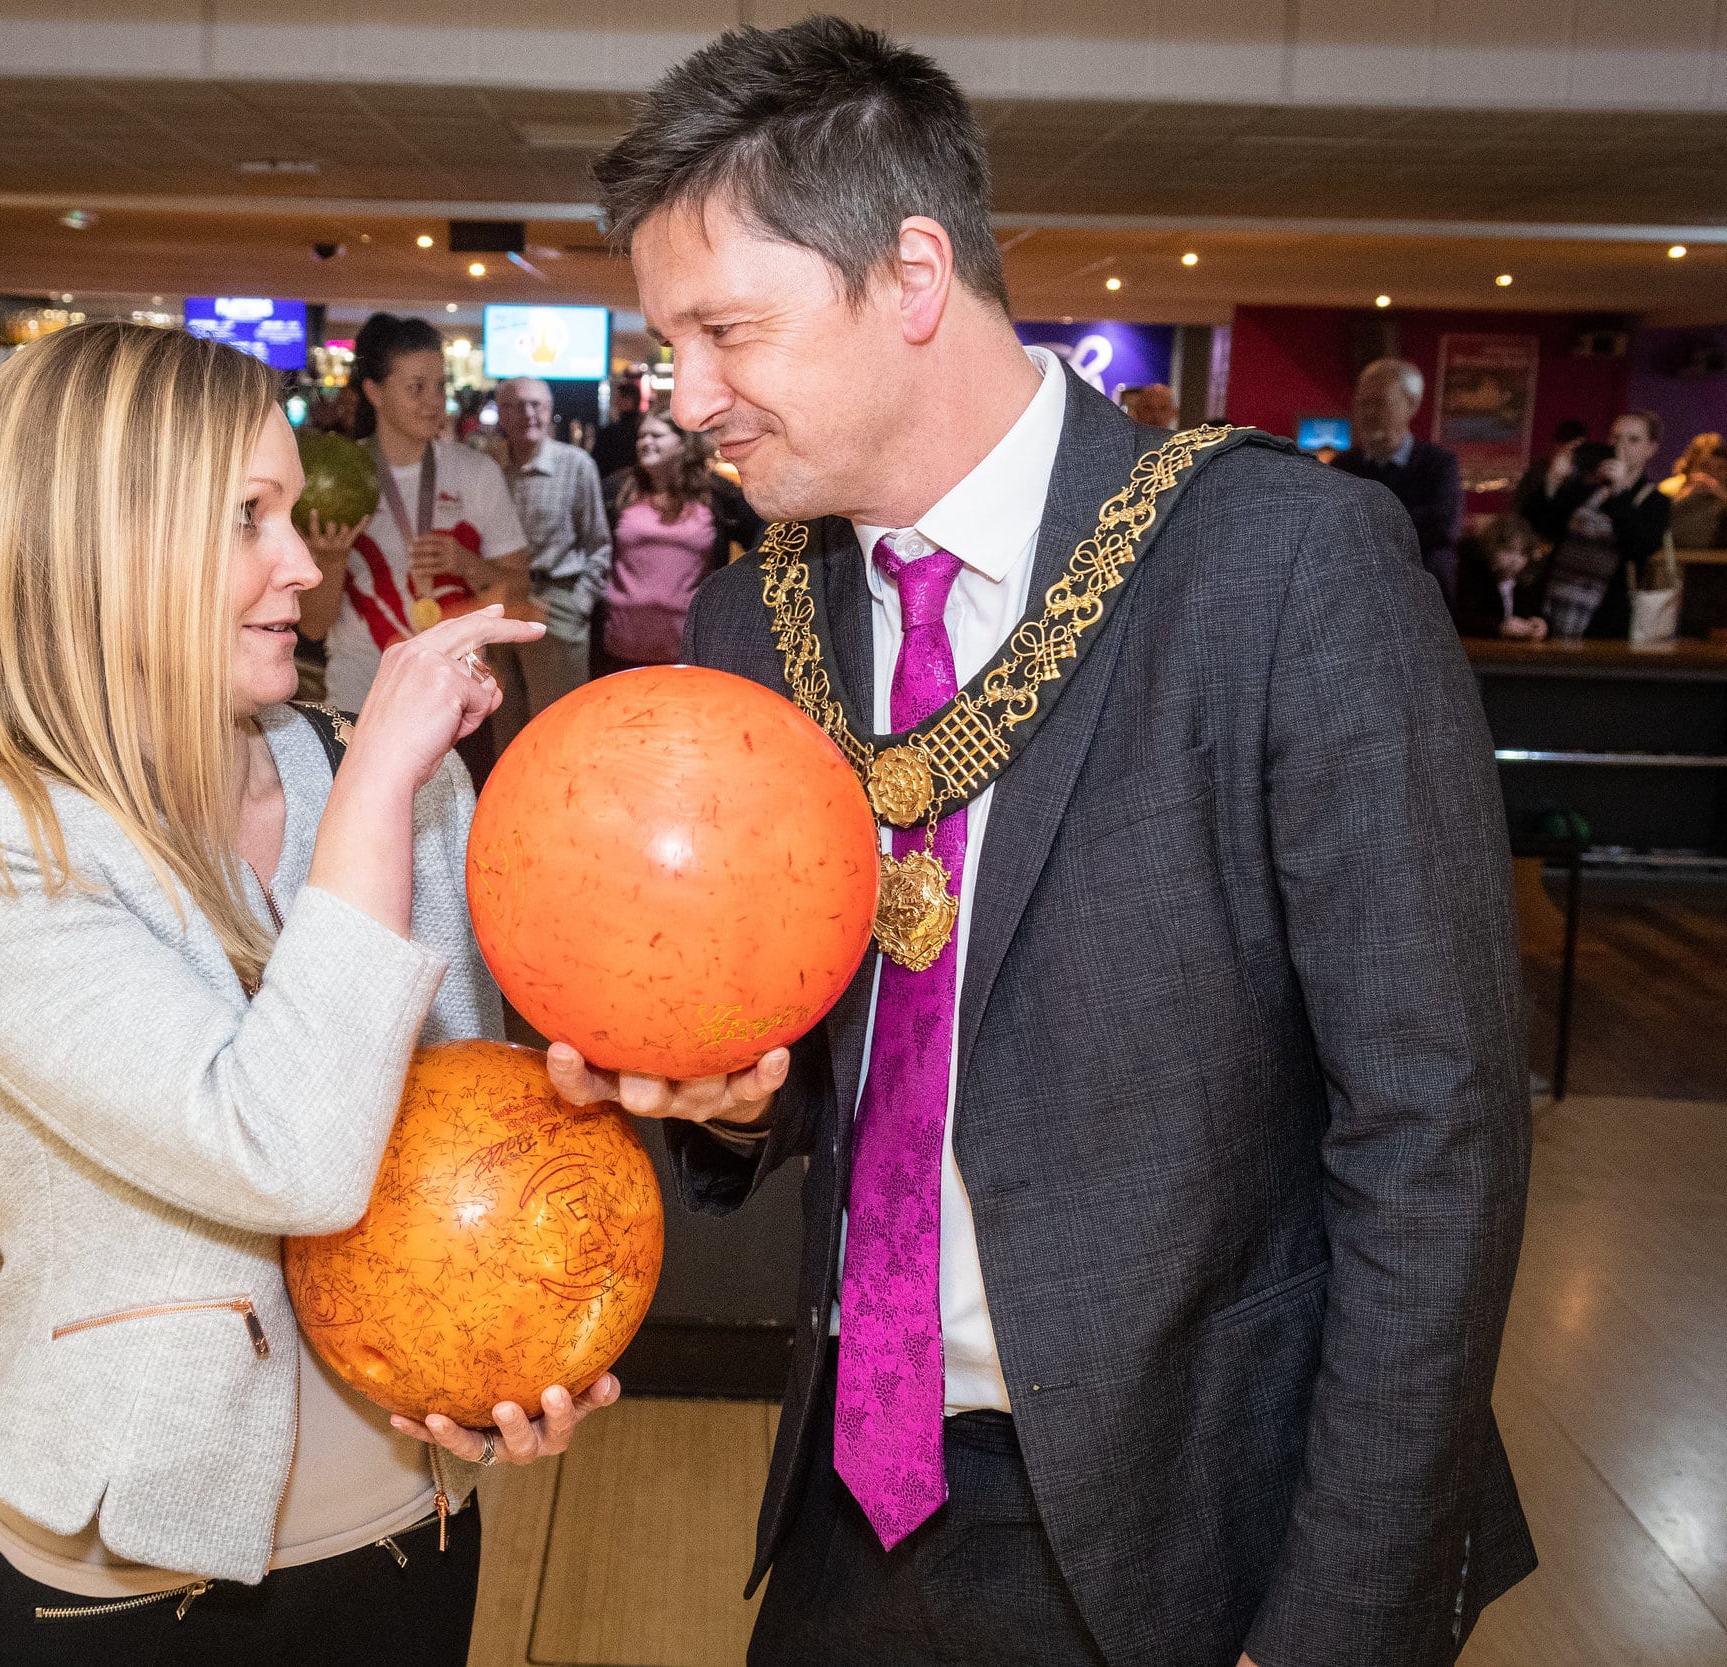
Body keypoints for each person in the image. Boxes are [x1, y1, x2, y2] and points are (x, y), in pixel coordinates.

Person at [568, 19, 1534, 1667]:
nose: (686, 398)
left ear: (913, 272)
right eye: (669, 343)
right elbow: (835, 1041)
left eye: (725, 330)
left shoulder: (1278, 566)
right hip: (849, 1507)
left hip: (1194, 1526)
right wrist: (742, 1091)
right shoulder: (751, 622)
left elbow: (1435, 1133)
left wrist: (1334, 1628)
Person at [0, 322, 608, 1666]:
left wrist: (508, 1349)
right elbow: (286, 1153)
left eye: (296, 512)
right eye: (248, 519)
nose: (302, 560)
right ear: (96, 547)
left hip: (403, 1533)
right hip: (114, 1587)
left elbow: (456, 1137)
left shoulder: (404, 779)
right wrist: (379, 790)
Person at [299, 314, 529, 714]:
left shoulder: (476, 473)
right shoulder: (340, 479)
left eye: (440, 386)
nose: (433, 401)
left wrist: (467, 564)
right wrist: (333, 559)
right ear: (374, 391)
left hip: (454, 702)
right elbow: (314, 627)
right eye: (416, 388)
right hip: (361, 701)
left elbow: (520, 590)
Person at [491, 376, 611, 741]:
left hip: (556, 604)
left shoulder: (576, 465)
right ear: (500, 413)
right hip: (498, 602)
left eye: (536, 405)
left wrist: (579, 602)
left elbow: (599, 544)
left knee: (558, 725)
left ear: (550, 410)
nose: (527, 414)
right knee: (503, 722)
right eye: (514, 405)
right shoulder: (488, 467)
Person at [597, 410, 761, 671]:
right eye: (641, 436)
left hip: (690, 644)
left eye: (656, 435)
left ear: (683, 442)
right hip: (622, 639)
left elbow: (763, 539)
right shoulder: (618, 489)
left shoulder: (716, 493)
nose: (645, 442)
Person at [1524, 409, 1671, 640]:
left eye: (1633, 439)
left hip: (1606, 612)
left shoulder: (1655, 500)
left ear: (1651, 449)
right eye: (1615, 437)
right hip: (1556, 600)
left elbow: (1639, 546)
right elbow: (1542, 524)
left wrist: (1619, 493)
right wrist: (1553, 480)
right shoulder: (1587, 486)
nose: (1621, 446)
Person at [1331, 357, 1465, 605]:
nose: (1368, 412)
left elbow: (1443, 527)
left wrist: (1365, 520)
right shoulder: (1343, 465)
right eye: (1363, 403)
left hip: (1420, 601)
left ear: (1411, 404)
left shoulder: (1437, 465)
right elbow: (1330, 530)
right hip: (1357, 599)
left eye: (1380, 403)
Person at [1452, 512, 1548, 640]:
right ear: (1492, 548)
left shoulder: (1524, 586)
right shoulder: (1475, 580)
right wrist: (1500, 627)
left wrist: (1542, 625)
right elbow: (1463, 620)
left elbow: (1538, 614)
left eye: (1521, 553)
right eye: (1509, 550)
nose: (1515, 560)